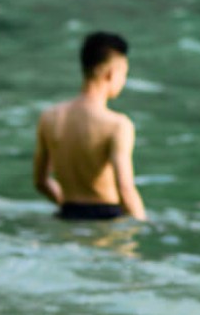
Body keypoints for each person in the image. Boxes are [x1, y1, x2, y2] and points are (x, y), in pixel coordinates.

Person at [34, 31, 147, 221]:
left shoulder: (50, 117)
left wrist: (64, 203)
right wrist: (144, 225)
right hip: (107, 217)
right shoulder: (117, 125)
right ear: (112, 74)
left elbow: (40, 182)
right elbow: (126, 190)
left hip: (68, 214)